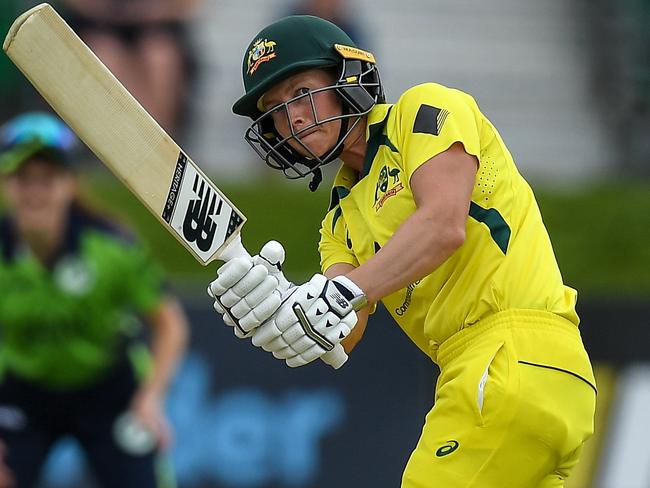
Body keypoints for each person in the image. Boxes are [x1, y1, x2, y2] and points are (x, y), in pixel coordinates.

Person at [207, 15, 597, 488]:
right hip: (498, 376)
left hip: (510, 354)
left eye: (301, 93)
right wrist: (283, 312)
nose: (293, 119)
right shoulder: (338, 221)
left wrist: (340, 293)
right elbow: (346, 331)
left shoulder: (421, 111)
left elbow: (443, 224)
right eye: (275, 110)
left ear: (345, 78)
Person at [0, 112, 189, 488]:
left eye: (48, 179)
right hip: (23, 393)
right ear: (6, 184)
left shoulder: (112, 247)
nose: (35, 192)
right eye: (24, 179)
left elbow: (170, 324)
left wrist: (151, 398)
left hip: (108, 389)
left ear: (69, 183)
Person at [57, 0, 201, 136]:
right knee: (105, 58)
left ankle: (159, 141)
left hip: (156, 27)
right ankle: (120, 140)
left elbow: (187, 6)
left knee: (159, 58)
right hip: (101, 27)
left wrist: (147, 11)